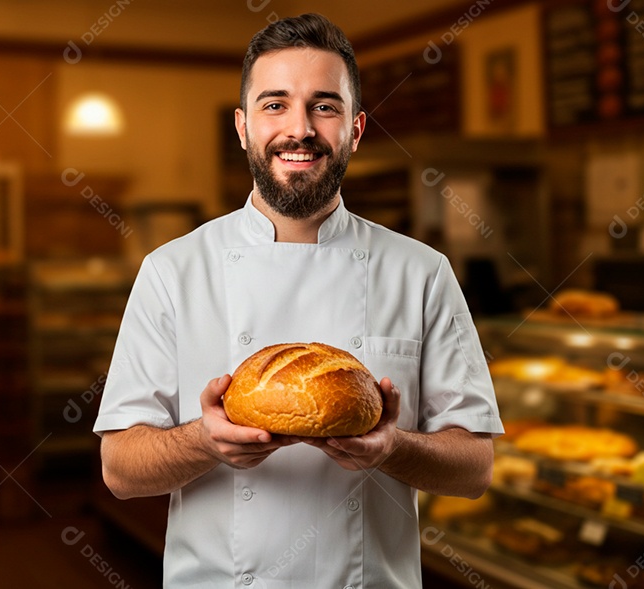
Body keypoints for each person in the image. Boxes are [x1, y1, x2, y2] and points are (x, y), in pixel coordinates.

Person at [94, 13, 503, 588]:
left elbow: (474, 469)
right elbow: (120, 470)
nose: (300, 129)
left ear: (355, 129)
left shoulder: (422, 272)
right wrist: (205, 440)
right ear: (243, 126)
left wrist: (391, 447)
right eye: (275, 104)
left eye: (325, 106)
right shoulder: (172, 271)